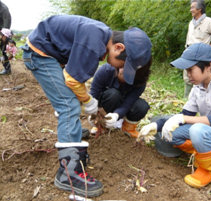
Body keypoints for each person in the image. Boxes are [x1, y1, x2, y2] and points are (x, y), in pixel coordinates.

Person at [21, 15, 152, 197]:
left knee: (69, 103)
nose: (119, 68)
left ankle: (72, 142)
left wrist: (86, 102)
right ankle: (69, 173)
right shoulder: (94, 40)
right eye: (122, 64)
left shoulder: (99, 36)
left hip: (47, 53)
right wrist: (89, 101)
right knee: (68, 105)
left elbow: (73, 78)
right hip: (40, 55)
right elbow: (72, 80)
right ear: (118, 47)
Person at [139, 43, 211, 188]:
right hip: (208, 130)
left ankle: (206, 170)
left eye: (190, 70)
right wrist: (157, 125)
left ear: (208, 65)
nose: (188, 75)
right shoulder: (197, 87)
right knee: (169, 133)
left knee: (197, 130)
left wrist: (182, 119)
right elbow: (185, 115)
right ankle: (203, 150)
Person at [90, 53, 151, 138]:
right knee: (113, 94)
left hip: (123, 103)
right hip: (106, 101)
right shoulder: (106, 70)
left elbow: (128, 103)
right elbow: (94, 93)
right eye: (124, 72)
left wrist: (116, 115)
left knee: (141, 106)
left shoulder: (140, 82)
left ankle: (128, 128)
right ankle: (101, 124)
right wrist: (92, 112)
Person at [183, 0, 211, 98]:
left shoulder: (209, 21)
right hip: (189, 52)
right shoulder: (191, 23)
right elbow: (188, 38)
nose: (190, 10)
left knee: (199, 77)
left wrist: (209, 47)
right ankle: (186, 99)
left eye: (192, 7)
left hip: (200, 54)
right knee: (187, 77)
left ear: (199, 9)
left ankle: (203, 98)